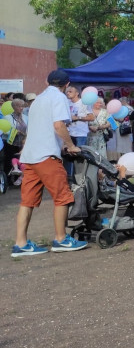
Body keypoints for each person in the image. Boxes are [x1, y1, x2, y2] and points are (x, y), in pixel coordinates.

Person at [12, 70, 88, 257]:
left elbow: (36, 127)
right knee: (63, 196)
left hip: (30, 155)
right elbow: (58, 125)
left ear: (47, 81)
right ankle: (61, 239)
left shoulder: (37, 99)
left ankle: (20, 243)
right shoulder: (59, 97)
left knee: (27, 201)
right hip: (46, 154)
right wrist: (70, 145)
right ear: (67, 84)